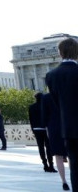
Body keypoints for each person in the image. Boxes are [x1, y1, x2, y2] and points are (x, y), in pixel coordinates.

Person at [46, 37, 78, 192]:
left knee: (75, 168)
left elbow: (57, 103)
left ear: (60, 53)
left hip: (69, 129)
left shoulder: (52, 75)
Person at [44, 88, 71, 191]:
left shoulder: (46, 97)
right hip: (68, 126)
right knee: (72, 155)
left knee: (58, 156)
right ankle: (74, 179)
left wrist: (48, 131)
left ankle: (64, 181)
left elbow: (44, 117)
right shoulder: (67, 93)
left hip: (53, 128)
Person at [29, 92, 56, 172]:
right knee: (48, 147)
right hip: (45, 129)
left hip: (36, 129)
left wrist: (33, 129)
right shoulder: (45, 106)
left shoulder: (31, 107)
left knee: (41, 147)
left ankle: (45, 165)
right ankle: (51, 165)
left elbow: (31, 120)